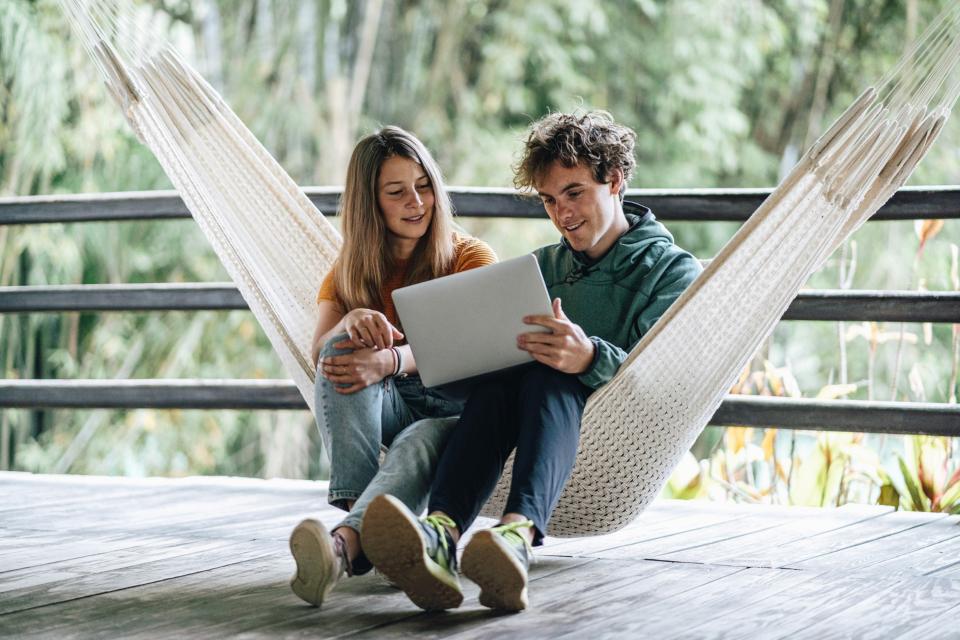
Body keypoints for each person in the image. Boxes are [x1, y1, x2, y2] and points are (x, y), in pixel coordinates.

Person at [360, 111, 703, 612]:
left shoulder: (672, 271)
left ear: (615, 181)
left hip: (606, 427)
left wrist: (587, 356)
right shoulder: (540, 269)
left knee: (549, 372)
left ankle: (516, 533)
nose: (562, 214)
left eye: (574, 192)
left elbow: (663, 378)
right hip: (511, 415)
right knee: (507, 374)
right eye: (548, 200)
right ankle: (441, 532)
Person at [288, 126, 497, 607]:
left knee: (417, 441)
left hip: (459, 413)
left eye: (424, 186)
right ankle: (365, 529)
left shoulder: (469, 257)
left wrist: (393, 360)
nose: (417, 201)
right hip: (396, 404)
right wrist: (352, 321)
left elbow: (480, 345)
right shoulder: (351, 268)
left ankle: (343, 545)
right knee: (341, 347)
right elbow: (322, 352)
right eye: (397, 191)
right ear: (370, 204)